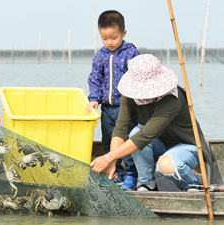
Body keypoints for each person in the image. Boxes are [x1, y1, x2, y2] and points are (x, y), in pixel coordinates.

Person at [90, 54, 211, 192]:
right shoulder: (130, 94)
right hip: (160, 145)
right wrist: (112, 161)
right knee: (135, 131)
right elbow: (120, 129)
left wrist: (107, 157)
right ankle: (146, 183)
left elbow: (145, 136)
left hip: (187, 147)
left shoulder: (172, 98)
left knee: (166, 164)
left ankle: (194, 185)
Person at [86, 10, 139, 190]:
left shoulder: (130, 52)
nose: (109, 42)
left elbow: (137, 77)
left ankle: (131, 173)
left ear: (123, 33)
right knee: (109, 141)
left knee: (126, 140)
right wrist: (94, 99)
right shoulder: (100, 55)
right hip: (107, 109)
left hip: (127, 109)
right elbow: (95, 78)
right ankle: (114, 172)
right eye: (104, 38)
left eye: (113, 38)